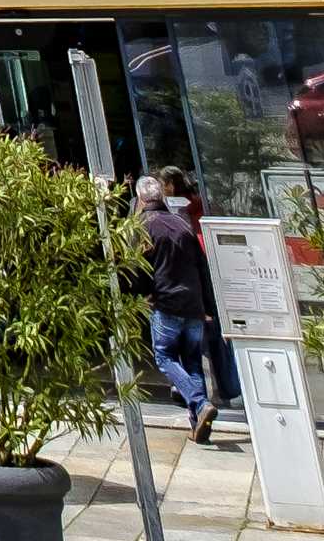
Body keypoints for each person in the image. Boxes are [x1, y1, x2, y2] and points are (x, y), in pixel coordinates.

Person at [142, 166, 222, 444]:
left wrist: (141, 295)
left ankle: (200, 404)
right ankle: (198, 424)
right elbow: (202, 268)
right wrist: (208, 307)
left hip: (167, 303)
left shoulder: (145, 226)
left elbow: (138, 269)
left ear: (141, 200)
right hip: (194, 305)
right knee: (192, 362)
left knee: (164, 356)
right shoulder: (181, 225)